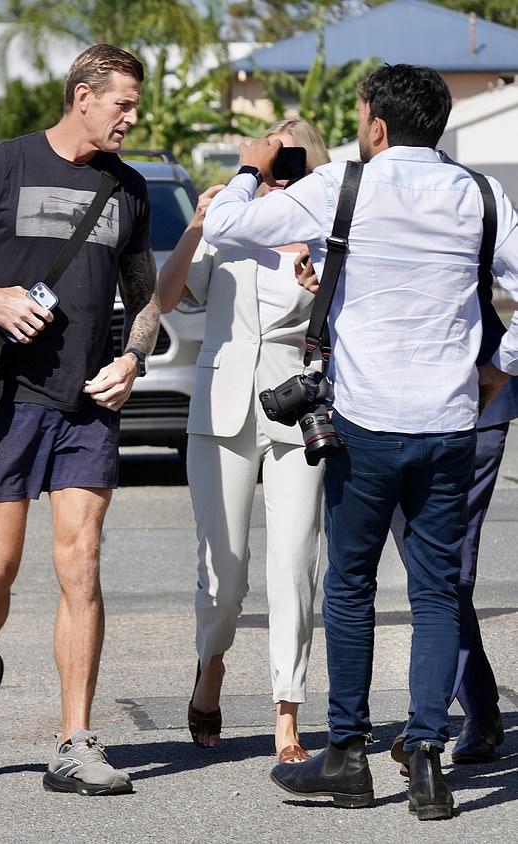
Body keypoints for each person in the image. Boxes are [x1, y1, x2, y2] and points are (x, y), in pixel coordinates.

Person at [203, 63, 518, 820]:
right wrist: (498, 371)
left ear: (375, 125)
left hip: (365, 425)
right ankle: (429, 761)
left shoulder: (346, 184)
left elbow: (223, 226)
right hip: (449, 423)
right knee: (438, 591)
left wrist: (250, 170)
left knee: (349, 588)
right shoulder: (481, 195)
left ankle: (346, 755)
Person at [0, 43, 160, 797]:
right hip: (6, 400)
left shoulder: (130, 190)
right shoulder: (0, 167)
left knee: (81, 565)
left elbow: (143, 297)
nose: (132, 117)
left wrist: (133, 360)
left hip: (86, 405)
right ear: (83, 95)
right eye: (123, 104)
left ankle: (76, 740)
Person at [158, 118, 330, 762]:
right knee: (223, 577)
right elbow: (169, 296)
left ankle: (288, 710)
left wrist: (325, 294)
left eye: (291, 161)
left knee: (294, 566)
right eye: (269, 161)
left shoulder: (327, 231)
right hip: (222, 406)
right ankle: (212, 664)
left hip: (298, 407)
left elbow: (351, 322)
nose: (278, 173)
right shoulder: (228, 219)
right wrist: (198, 224)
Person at [390, 374, 518, 769]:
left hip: (474, 407)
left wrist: (499, 365)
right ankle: (481, 709)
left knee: (446, 576)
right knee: (431, 575)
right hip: (383, 417)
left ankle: (425, 721)